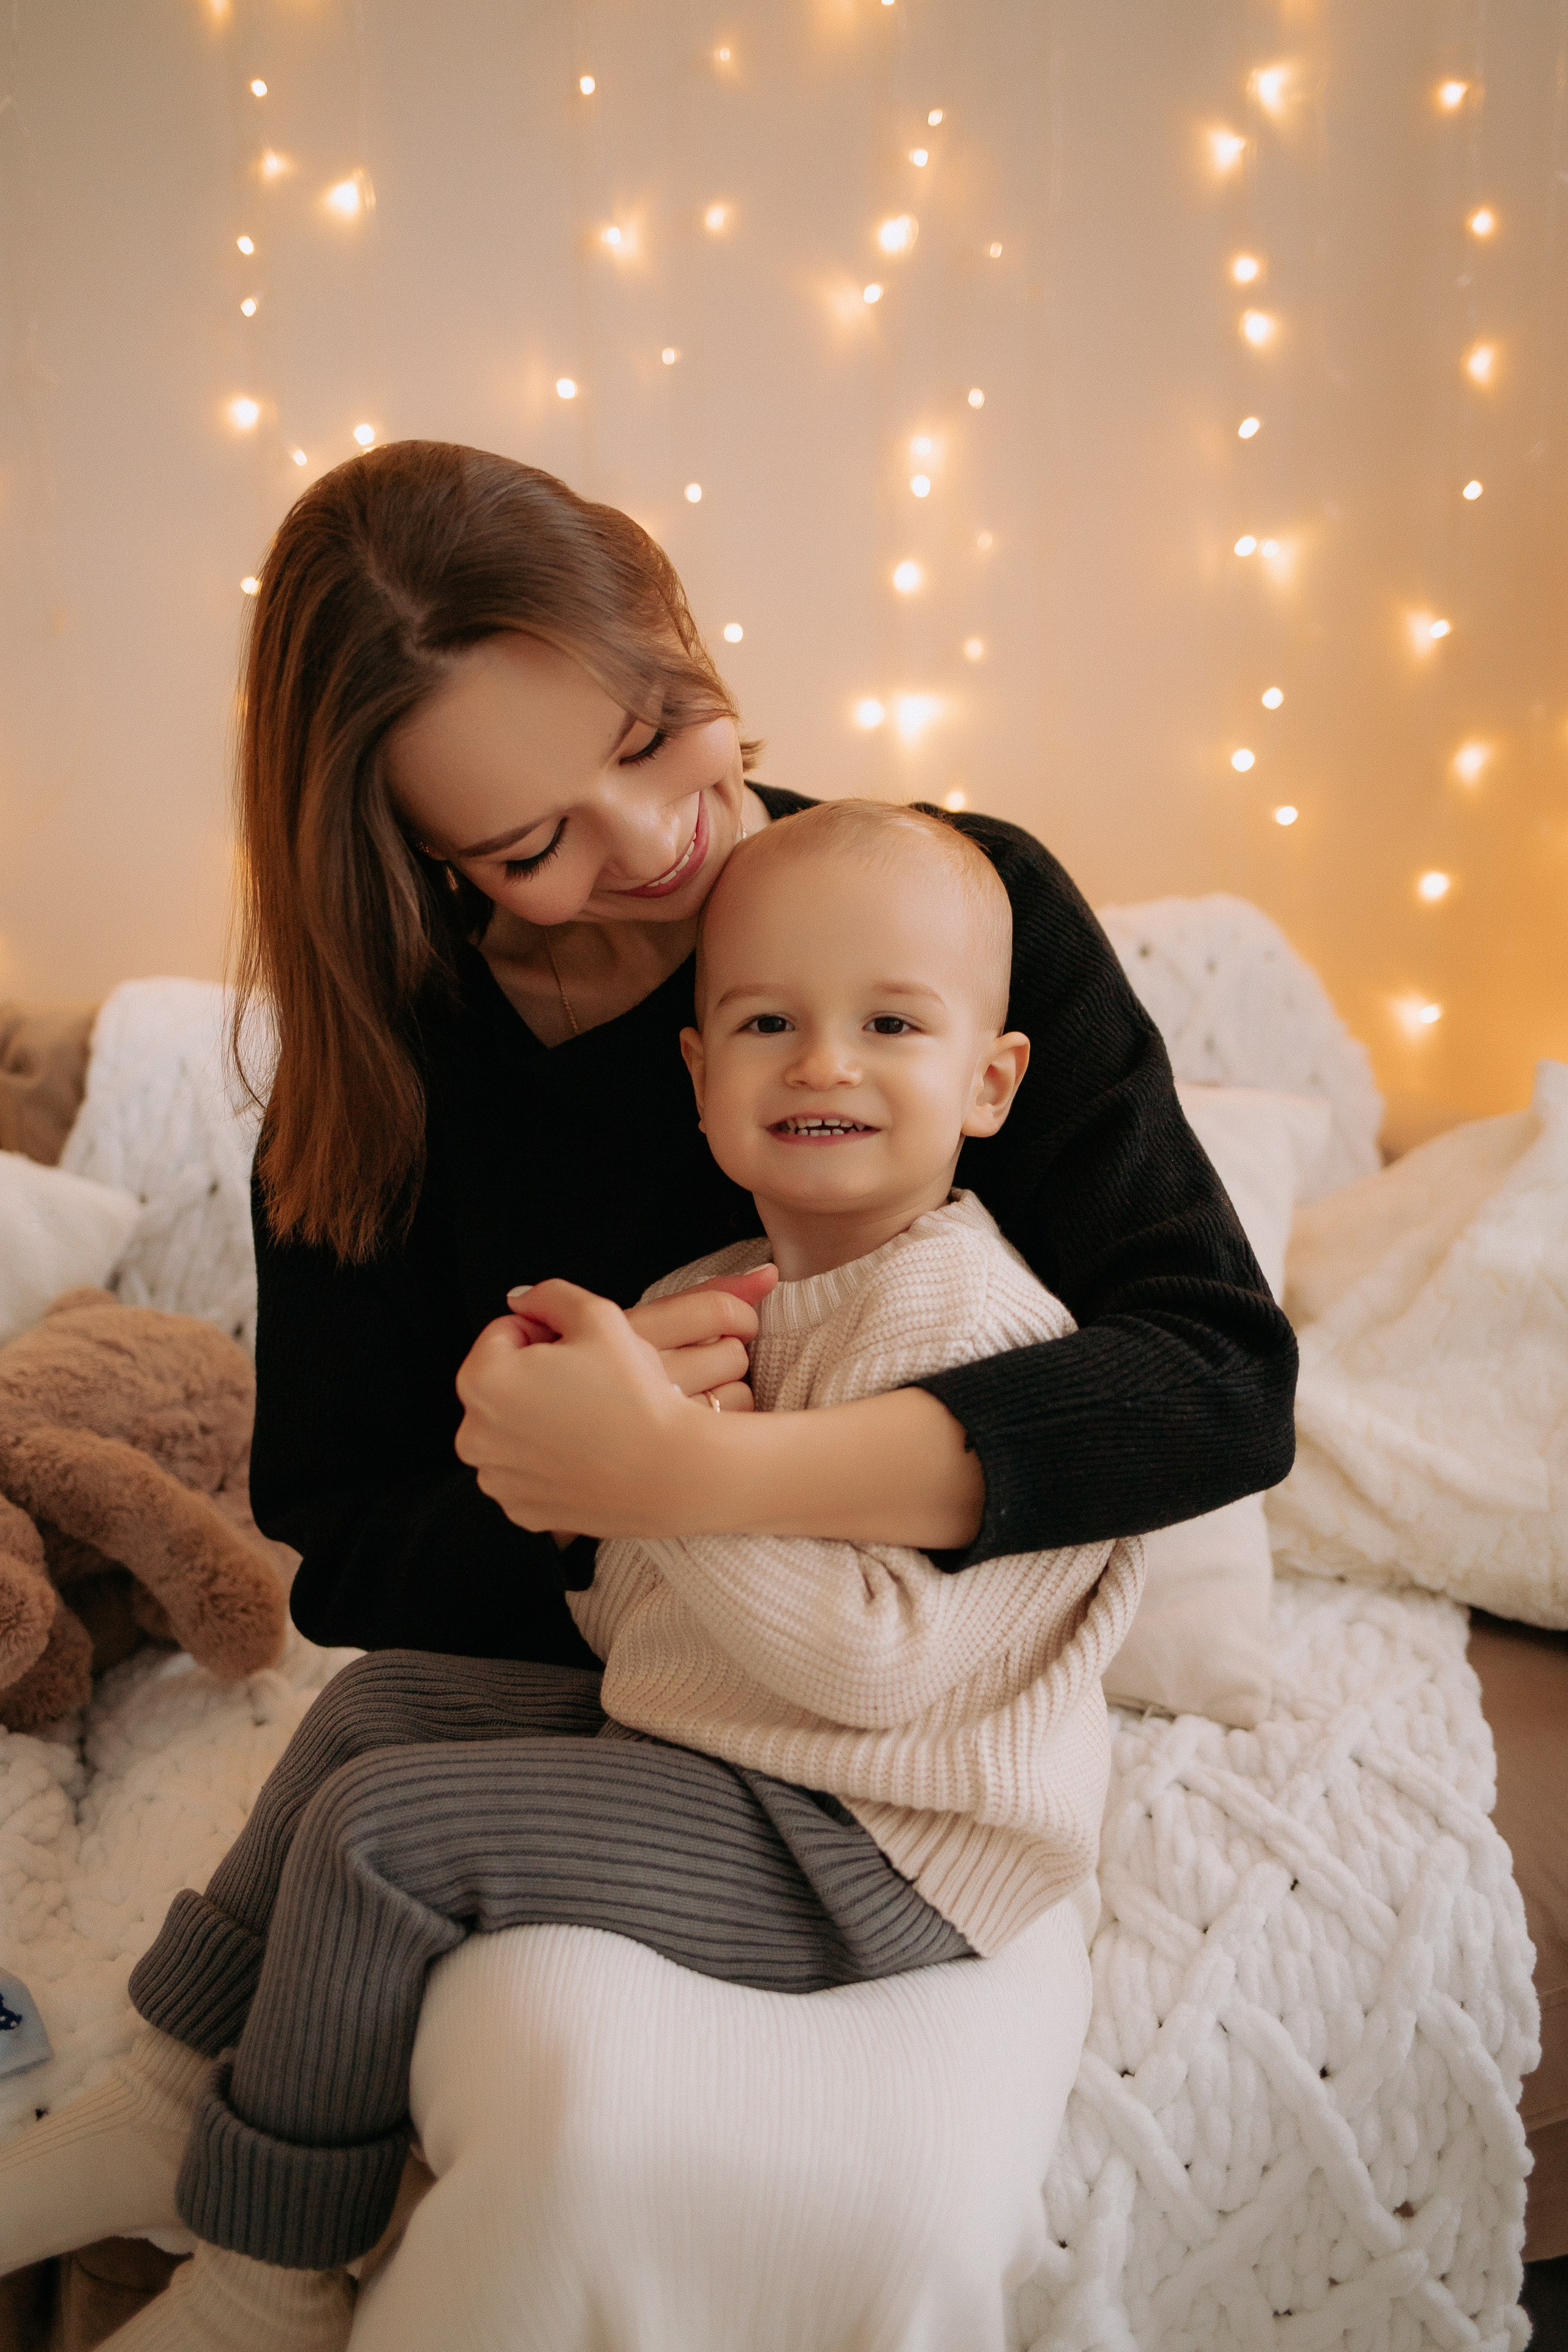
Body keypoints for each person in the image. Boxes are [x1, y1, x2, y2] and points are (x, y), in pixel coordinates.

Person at [0, 442, 1294, 2337]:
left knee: (414, 1868)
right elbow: (344, 1559)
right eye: (532, 844)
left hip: (871, 1762)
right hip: (649, 1678)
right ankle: (162, 2103)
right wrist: (534, 1463)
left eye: (657, 728)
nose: (655, 839)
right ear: (419, 863)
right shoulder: (385, 1064)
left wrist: (680, 1471)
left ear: (675, 628)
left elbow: (1212, 1382)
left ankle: (264, 2277)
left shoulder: (936, 918)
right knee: (368, 1733)